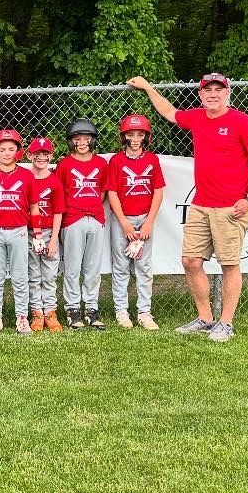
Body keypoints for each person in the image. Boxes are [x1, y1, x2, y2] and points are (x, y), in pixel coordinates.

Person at [127, 72, 248, 342]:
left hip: (232, 207)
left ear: (227, 93)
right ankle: (205, 317)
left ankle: (226, 323)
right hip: (201, 205)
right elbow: (169, 112)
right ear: (200, 95)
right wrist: (147, 87)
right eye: (207, 90)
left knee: (229, 264)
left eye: (218, 89)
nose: (213, 94)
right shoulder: (196, 117)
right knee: (190, 261)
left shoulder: (242, 122)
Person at [106, 114, 165, 330]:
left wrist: (149, 222)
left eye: (140, 134)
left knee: (144, 267)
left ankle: (144, 312)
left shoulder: (152, 160)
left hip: (144, 218)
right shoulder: (116, 161)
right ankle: (121, 310)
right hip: (123, 220)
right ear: (124, 137)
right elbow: (112, 193)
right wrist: (124, 224)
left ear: (146, 137)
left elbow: (158, 192)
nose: (135, 138)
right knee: (121, 266)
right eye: (131, 134)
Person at [0, 129, 34, 335]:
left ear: (18, 151)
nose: (7, 153)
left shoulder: (26, 176)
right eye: (2, 149)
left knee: (20, 277)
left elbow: (34, 206)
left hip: (19, 230)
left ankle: (22, 318)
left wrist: (36, 234)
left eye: (11, 149)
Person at [56, 118, 108, 330]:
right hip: (72, 219)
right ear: (71, 142)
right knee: (73, 267)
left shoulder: (100, 164)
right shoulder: (65, 165)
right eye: (77, 139)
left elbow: (103, 192)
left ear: (93, 141)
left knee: (93, 268)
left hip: (95, 218)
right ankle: (72, 309)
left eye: (87, 139)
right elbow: (59, 195)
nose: (82, 143)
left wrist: (92, 209)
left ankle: (92, 308)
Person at [25, 137, 64, 332]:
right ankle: (36, 313)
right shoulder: (24, 177)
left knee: (49, 275)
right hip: (29, 231)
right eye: (37, 154)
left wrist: (54, 239)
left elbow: (58, 211)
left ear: (51, 156)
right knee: (33, 274)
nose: (41, 157)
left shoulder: (54, 181)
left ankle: (50, 311)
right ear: (29, 155)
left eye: (45, 154)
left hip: (49, 231)